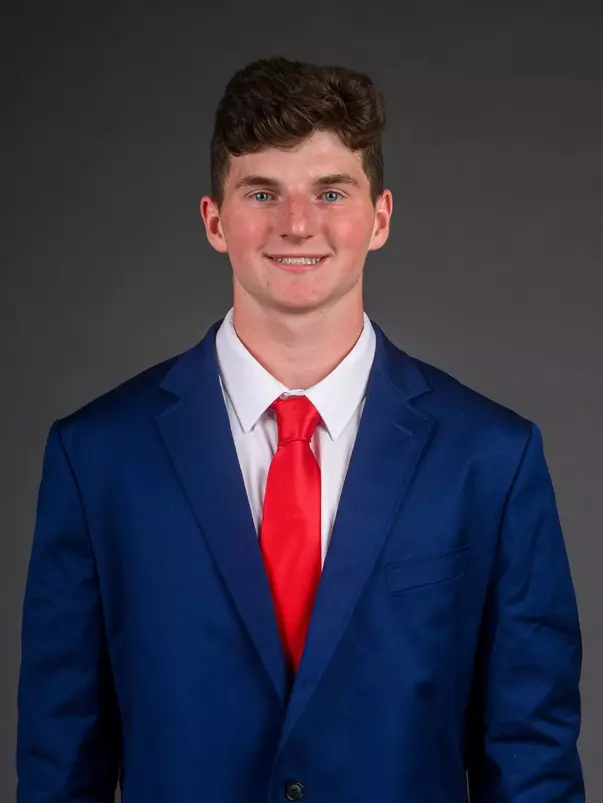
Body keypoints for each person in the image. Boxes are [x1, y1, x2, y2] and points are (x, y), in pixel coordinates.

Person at [17, 55, 585, 803]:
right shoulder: (97, 458)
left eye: (330, 192)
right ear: (214, 220)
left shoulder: (490, 458)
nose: (295, 223)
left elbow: (532, 757)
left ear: (380, 217)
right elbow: (61, 757)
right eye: (262, 192)